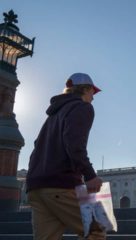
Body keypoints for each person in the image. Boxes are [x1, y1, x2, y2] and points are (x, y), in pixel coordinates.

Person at [26, 73, 105, 240]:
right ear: (86, 89)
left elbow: (36, 148)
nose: (93, 98)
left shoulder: (53, 115)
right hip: (61, 184)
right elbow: (74, 144)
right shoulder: (82, 107)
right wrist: (90, 176)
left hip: (36, 187)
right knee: (96, 229)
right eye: (93, 92)